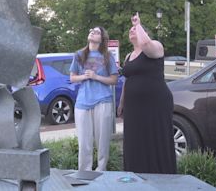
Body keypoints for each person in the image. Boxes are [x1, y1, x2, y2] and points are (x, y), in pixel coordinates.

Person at [118, 12, 176, 173]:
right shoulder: (129, 55)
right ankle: (137, 173)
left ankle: (161, 175)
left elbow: (145, 44)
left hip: (155, 103)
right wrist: (122, 102)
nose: (132, 30)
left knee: (155, 139)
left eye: (135, 29)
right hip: (134, 107)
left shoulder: (156, 47)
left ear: (144, 32)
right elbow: (128, 79)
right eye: (131, 29)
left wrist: (138, 24)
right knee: (135, 140)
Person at [70, 26, 118, 171]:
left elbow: (114, 80)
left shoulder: (107, 56)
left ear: (102, 39)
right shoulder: (79, 55)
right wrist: (84, 76)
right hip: (82, 103)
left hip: (103, 101)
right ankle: (85, 173)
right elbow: (72, 78)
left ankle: (101, 172)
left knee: (102, 141)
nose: (92, 32)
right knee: (84, 142)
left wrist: (96, 76)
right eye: (91, 30)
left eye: (97, 32)